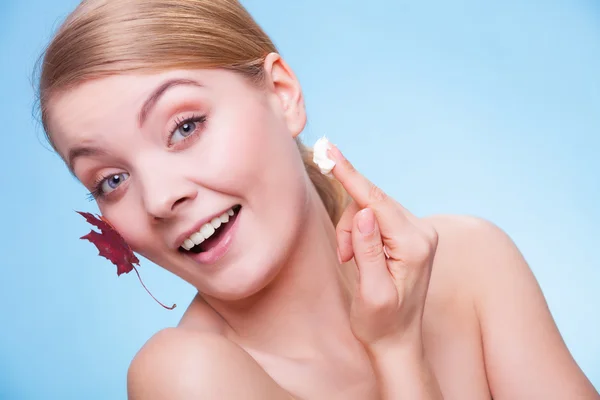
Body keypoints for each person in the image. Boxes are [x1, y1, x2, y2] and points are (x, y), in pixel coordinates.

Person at [36, 0, 599, 399]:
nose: (160, 198)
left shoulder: (472, 260)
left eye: (185, 126)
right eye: (111, 180)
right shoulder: (186, 378)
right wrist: (398, 352)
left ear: (282, 95)